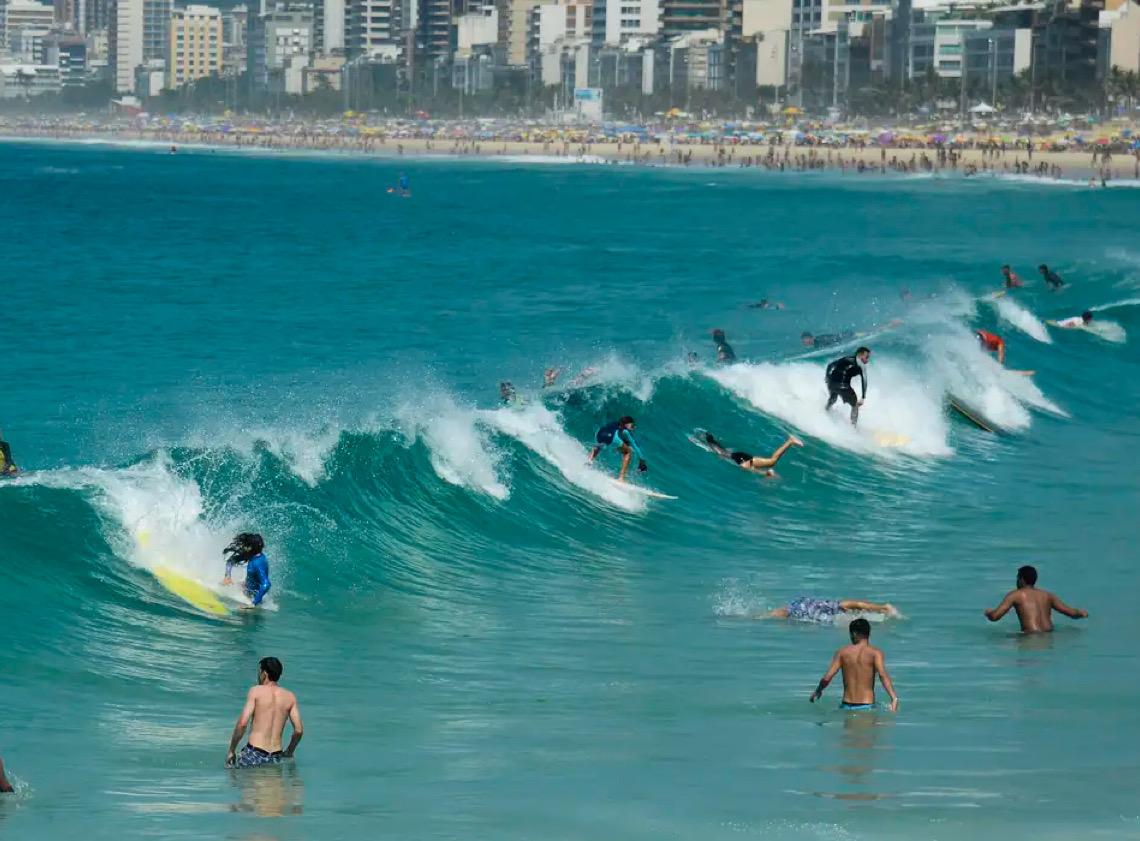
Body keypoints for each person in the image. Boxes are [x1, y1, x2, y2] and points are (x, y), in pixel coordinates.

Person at [226, 656, 304, 768]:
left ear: (265, 673)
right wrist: (289, 752)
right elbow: (299, 730)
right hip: (276, 757)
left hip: (254, 753)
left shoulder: (255, 691)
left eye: (259, 671)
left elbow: (242, 724)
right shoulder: (289, 696)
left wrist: (231, 750)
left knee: (236, 779)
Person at [810, 618, 899, 712]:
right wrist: (893, 698)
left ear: (854, 633)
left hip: (846, 706)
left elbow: (827, 677)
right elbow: (882, 675)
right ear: (868, 633)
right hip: (866, 706)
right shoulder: (875, 653)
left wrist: (818, 690)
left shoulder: (842, 652)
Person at [984, 565, 1087, 633]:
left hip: (1030, 637)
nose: (1016, 581)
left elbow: (995, 617)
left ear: (1022, 579)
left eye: (1017, 578)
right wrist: (1082, 613)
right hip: (1049, 636)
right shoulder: (1047, 595)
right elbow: (1071, 613)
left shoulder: (1015, 595)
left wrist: (988, 612)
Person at [702, 431, 803, 477]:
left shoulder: (743, 464)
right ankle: (709, 439)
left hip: (740, 458)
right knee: (721, 452)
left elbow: (749, 468)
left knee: (772, 462)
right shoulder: (740, 462)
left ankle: (790, 441)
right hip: (739, 458)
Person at [588, 415, 647, 482]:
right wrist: (642, 461)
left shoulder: (614, 424)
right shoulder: (626, 431)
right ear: (626, 424)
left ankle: (589, 461)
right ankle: (621, 478)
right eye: (632, 425)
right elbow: (635, 446)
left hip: (599, 434)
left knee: (598, 446)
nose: (633, 427)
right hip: (612, 437)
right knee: (628, 452)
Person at [223, 533, 271, 608]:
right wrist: (227, 576)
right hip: (246, 589)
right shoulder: (252, 555)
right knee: (223, 585)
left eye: (245, 545)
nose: (242, 547)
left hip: (252, 599)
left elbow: (266, 584)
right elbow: (231, 561)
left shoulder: (258, 563)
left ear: (250, 547)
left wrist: (253, 603)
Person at [825, 347, 870, 426]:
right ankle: (853, 427)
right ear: (860, 355)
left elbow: (830, 365)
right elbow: (864, 381)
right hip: (843, 386)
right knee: (855, 405)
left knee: (833, 399)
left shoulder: (847, 359)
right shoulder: (861, 366)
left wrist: (827, 377)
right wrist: (863, 397)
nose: (867, 360)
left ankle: (825, 411)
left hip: (831, 384)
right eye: (866, 357)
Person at [768, 597, 897, 623]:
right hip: (809, 607)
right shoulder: (837, 611)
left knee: (854, 605)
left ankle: (884, 607)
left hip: (807, 607)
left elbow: (859, 604)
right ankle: (883, 608)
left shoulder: (838, 608)